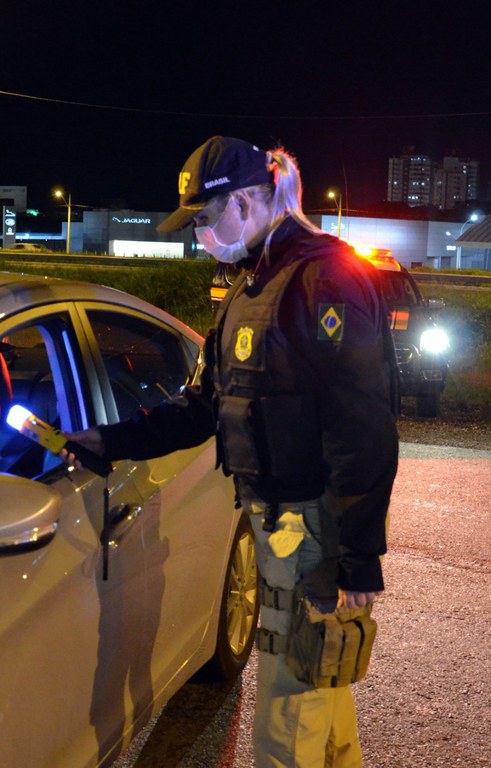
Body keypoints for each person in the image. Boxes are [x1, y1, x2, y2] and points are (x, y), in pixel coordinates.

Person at [64, 135, 399, 767]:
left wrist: (357, 563)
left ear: (247, 201)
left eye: (206, 220)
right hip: (279, 527)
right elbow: (203, 407)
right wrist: (110, 442)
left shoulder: (325, 278)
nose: (199, 237)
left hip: (312, 533)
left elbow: (365, 430)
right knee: (319, 702)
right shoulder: (250, 288)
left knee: (285, 722)